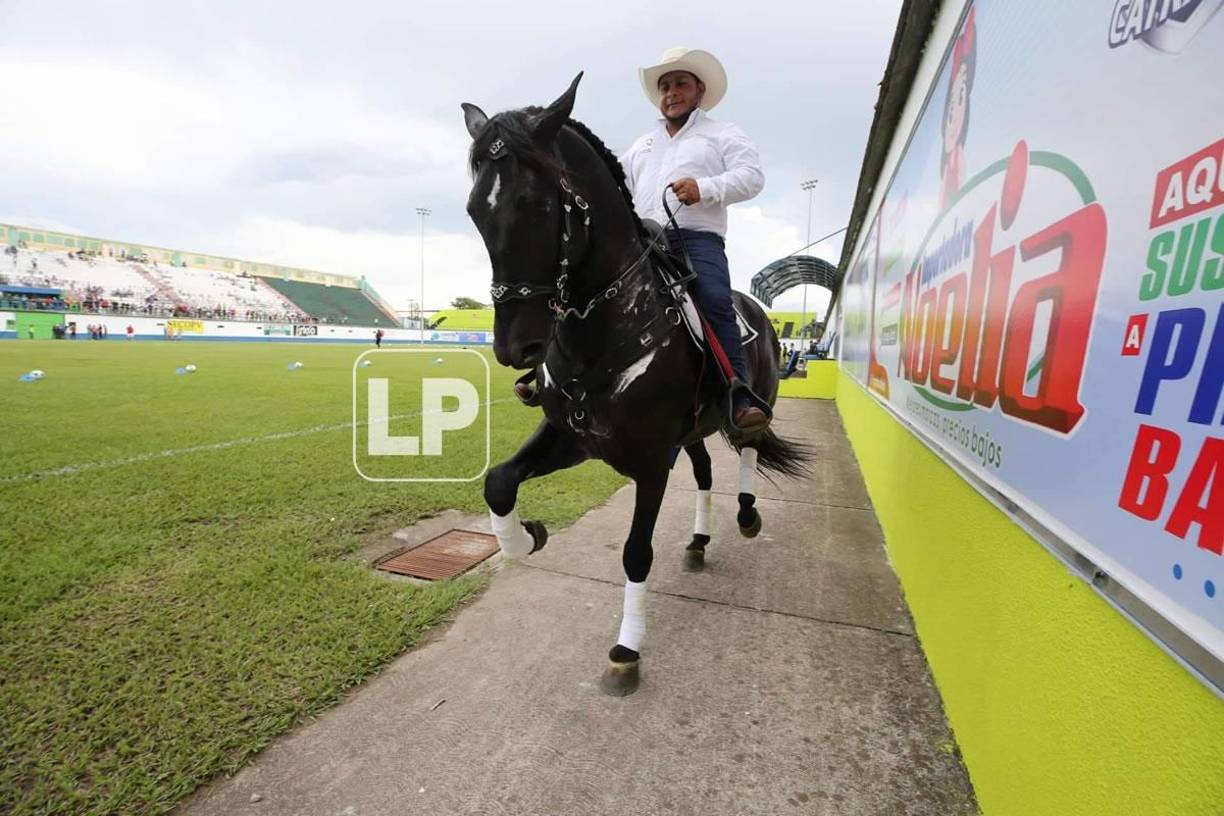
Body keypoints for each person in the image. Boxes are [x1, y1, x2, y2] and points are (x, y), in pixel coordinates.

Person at [622, 47, 769, 432]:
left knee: (715, 300)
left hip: (695, 241)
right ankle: (555, 378)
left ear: (699, 90)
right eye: (665, 86)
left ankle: (739, 394)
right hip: (642, 244)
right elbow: (618, 186)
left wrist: (704, 188)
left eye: (680, 84)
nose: (671, 92)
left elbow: (752, 177)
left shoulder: (722, 134)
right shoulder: (642, 145)